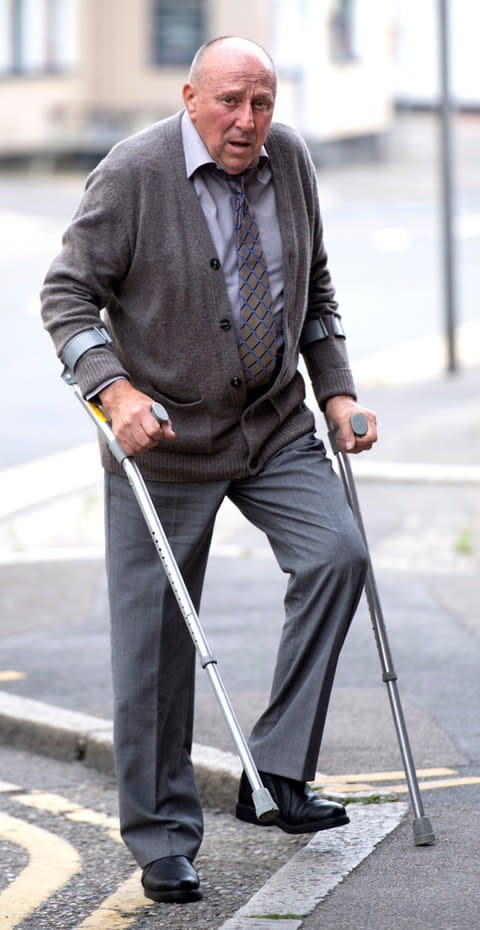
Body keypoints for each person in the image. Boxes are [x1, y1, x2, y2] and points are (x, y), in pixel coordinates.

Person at [41, 35, 377, 904]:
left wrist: (335, 393)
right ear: (191, 96)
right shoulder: (132, 173)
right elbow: (66, 294)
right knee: (154, 645)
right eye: (230, 101)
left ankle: (277, 775)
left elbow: (318, 289)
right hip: (165, 440)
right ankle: (160, 836)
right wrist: (112, 390)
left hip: (271, 426)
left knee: (338, 554)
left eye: (261, 102)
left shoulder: (290, 159)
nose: (247, 120)